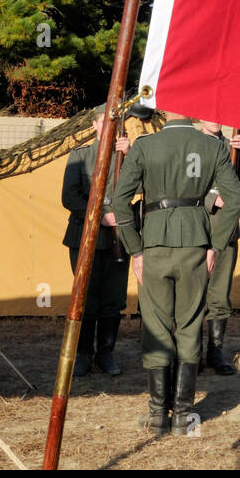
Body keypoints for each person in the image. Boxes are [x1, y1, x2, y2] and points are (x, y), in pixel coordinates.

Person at [112, 111, 240, 436]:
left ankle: (158, 416)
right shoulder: (212, 146)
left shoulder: (145, 145)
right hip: (196, 245)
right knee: (190, 323)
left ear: (163, 112)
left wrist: (134, 248)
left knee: (156, 325)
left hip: (154, 245)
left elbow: (120, 199)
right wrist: (215, 246)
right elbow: (235, 200)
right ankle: (184, 415)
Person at [60, 106, 131, 376]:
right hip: (85, 235)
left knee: (112, 299)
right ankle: (82, 355)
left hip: (118, 237)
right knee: (86, 298)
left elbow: (145, 186)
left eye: (114, 122)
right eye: (104, 121)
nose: (109, 127)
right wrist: (99, 216)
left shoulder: (126, 156)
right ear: (94, 125)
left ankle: (106, 354)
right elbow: (70, 197)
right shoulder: (81, 156)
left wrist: (130, 153)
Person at [198, 121, 240, 375]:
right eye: (210, 112)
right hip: (197, 229)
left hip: (224, 231)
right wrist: (210, 199)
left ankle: (215, 352)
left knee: (219, 296)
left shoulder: (232, 147)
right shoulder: (191, 145)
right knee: (193, 295)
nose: (215, 119)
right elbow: (176, 184)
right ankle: (191, 353)